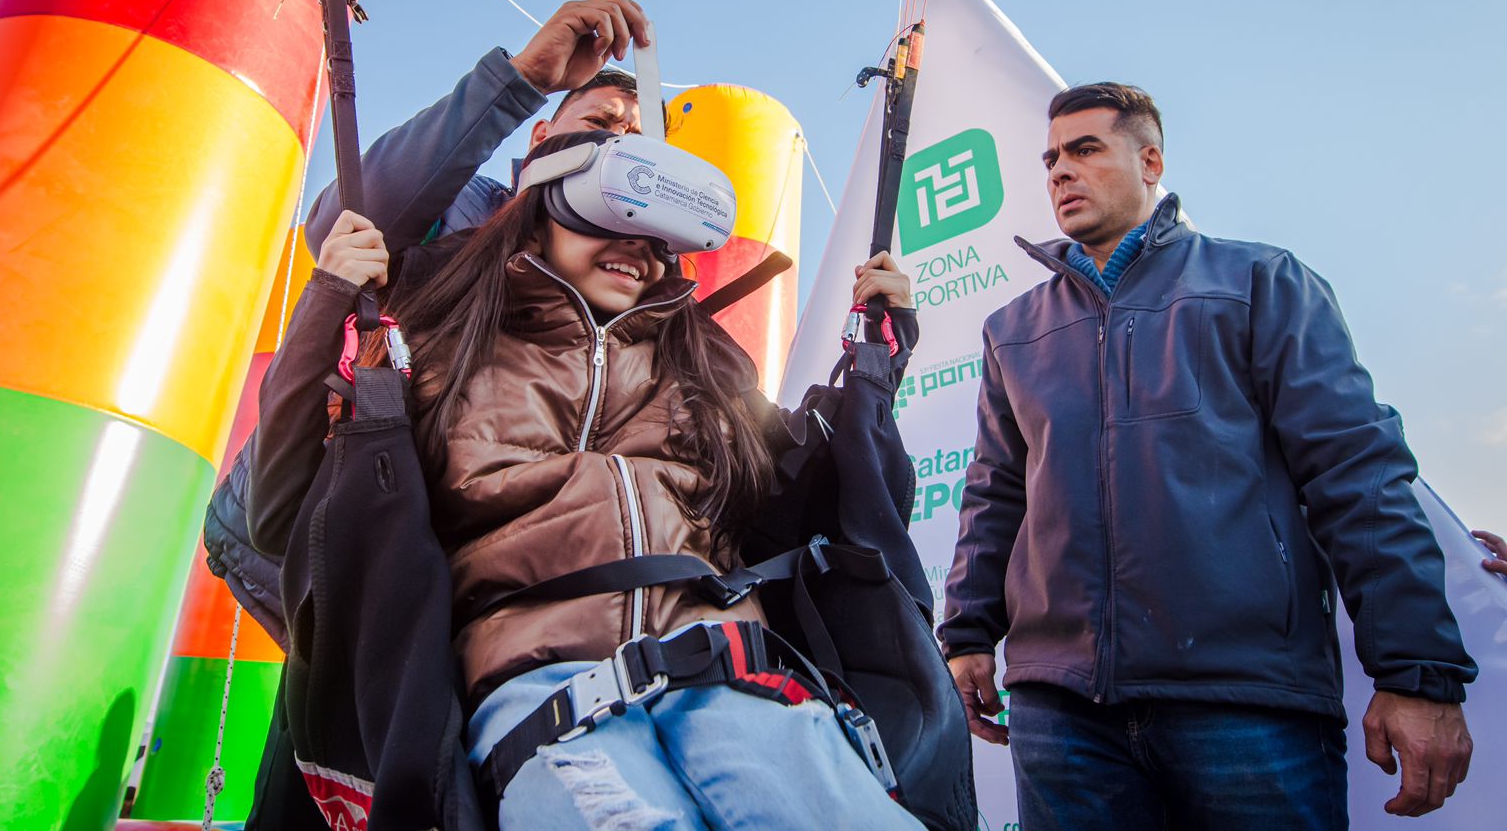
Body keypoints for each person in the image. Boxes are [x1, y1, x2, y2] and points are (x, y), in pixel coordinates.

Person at [246, 128, 925, 829]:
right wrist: (328, 301)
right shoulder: (442, 341)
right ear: (543, 209)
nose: (637, 245)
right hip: (536, 684)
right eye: (612, 212)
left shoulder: (705, 367)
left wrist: (877, 368)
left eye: (657, 232)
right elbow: (278, 512)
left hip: (729, 672)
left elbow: (843, 507)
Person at [939, 82, 1477, 829]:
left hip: (1245, 704)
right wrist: (966, 636)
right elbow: (997, 496)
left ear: (1151, 160)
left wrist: (1418, 676)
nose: (1061, 170)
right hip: (1062, 716)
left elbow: (1358, 473)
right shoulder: (1013, 331)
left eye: (1086, 149)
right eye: (1051, 157)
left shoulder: (1260, 283)